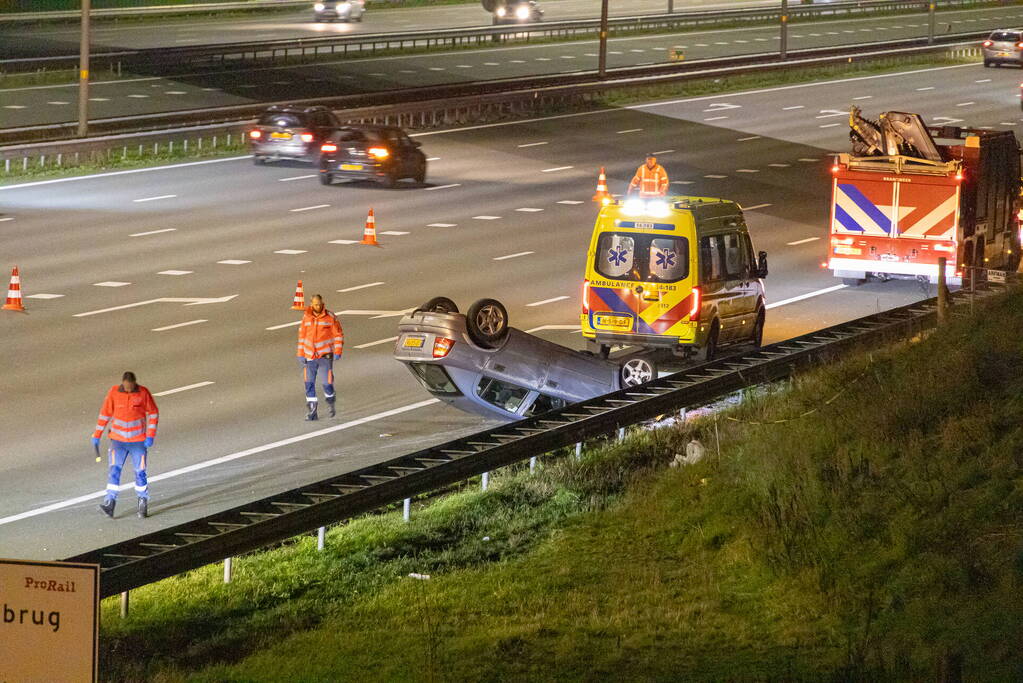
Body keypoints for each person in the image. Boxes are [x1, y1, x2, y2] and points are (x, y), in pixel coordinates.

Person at [92, 371, 159, 519]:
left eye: (131, 387)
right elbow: (105, 414)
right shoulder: (114, 392)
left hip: (138, 442)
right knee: (114, 470)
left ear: (135, 383)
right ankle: (110, 502)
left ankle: (142, 501)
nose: (128, 389)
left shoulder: (143, 393)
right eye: (126, 387)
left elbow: (153, 413)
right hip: (118, 441)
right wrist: (97, 435)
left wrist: (150, 435)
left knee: (140, 472)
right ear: (123, 383)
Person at [297, 294, 344, 421]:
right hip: (309, 356)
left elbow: (338, 335)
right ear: (311, 304)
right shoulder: (306, 317)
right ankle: (312, 411)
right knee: (309, 383)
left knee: (327, 383)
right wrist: (300, 353)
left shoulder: (330, 317)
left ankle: (330, 402)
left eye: (319, 304)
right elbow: (302, 336)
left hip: (324, 356)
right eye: (315, 304)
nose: (317, 306)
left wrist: (338, 351)